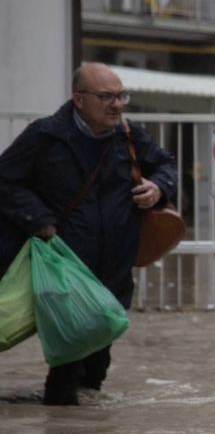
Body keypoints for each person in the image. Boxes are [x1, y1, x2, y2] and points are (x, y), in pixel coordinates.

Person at [0, 63, 178, 405]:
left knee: (96, 363)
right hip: (65, 265)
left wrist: (159, 187)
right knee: (68, 363)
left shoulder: (128, 134)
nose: (117, 105)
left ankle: (85, 423)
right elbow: (6, 181)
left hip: (114, 264)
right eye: (106, 97)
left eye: (121, 96)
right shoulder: (45, 136)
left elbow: (166, 164)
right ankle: (65, 424)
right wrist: (39, 219)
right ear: (79, 99)